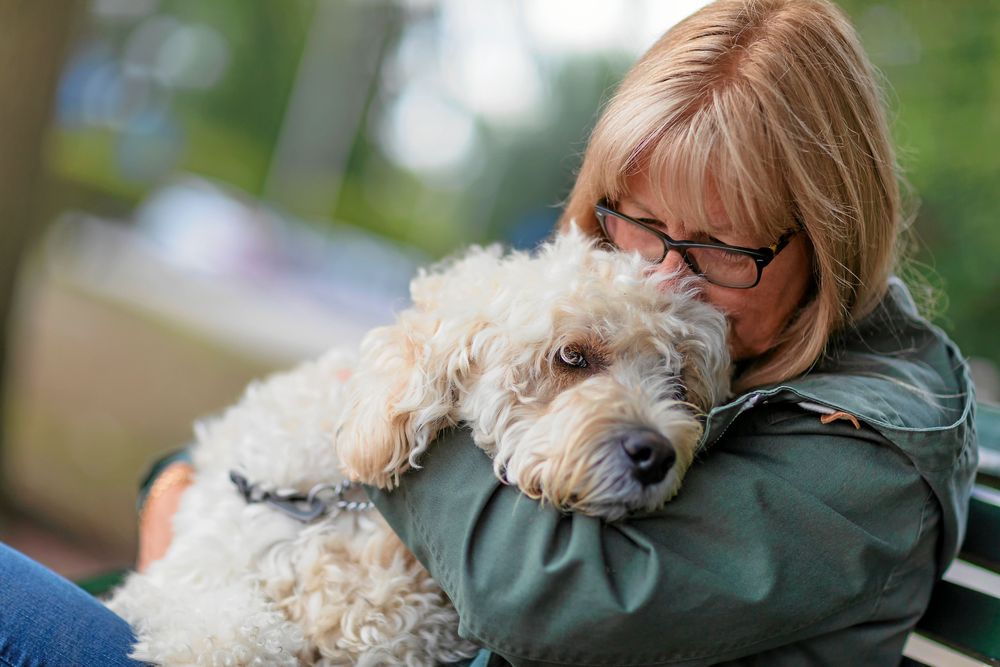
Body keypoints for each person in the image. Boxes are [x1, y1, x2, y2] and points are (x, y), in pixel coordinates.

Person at [0, 0, 976, 665]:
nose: (660, 272)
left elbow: (544, 594)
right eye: (635, 221)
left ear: (833, 233)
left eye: (721, 244)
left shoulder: (868, 453)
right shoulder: (701, 335)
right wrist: (181, 479)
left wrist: (427, 377)